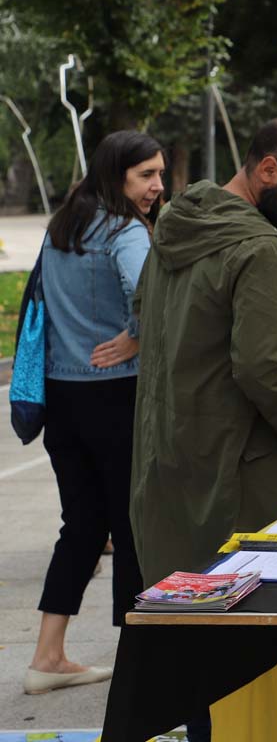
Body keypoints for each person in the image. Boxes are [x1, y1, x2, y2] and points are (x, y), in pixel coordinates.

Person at [130, 116, 277, 586]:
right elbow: (263, 365)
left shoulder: (174, 225)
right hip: (235, 474)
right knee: (245, 639)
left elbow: (144, 316)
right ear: (268, 169)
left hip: (164, 462)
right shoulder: (262, 249)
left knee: (178, 619)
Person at [24, 131, 164, 696]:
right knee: (131, 526)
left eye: (158, 174)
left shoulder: (62, 227)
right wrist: (135, 337)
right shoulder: (125, 230)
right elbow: (153, 295)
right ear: (116, 177)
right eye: (145, 176)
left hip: (62, 399)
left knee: (81, 526)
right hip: (116, 395)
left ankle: (47, 656)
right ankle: (139, 664)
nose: (157, 186)